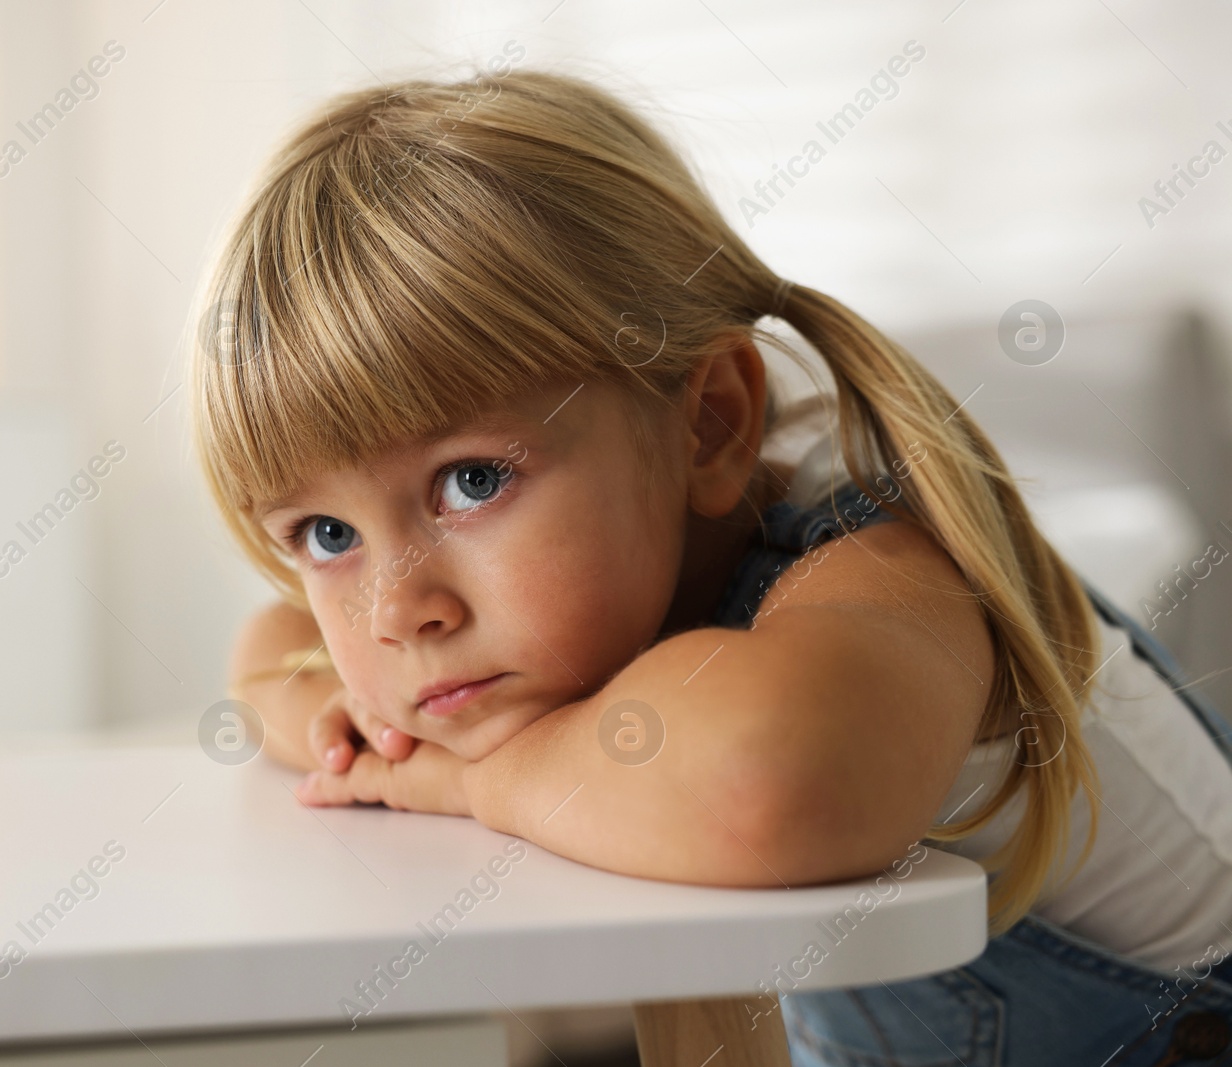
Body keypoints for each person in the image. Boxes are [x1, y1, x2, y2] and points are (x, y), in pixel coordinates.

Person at [193, 66, 1232, 1061]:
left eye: (470, 482)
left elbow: (763, 783)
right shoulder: (541, 600)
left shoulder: (882, 562)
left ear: (710, 424)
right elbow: (270, 646)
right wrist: (339, 726)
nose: (397, 610)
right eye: (328, 535)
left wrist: (474, 778)